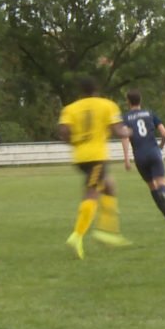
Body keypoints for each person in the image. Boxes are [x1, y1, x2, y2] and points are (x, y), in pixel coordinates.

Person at [57, 76, 132, 259]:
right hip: (96, 156)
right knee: (92, 192)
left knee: (109, 186)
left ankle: (107, 231)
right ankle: (77, 235)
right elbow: (118, 130)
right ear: (96, 89)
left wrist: (76, 142)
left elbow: (63, 132)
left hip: (80, 157)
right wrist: (129, 131)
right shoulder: (107, 105)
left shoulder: (70, 108)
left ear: (81, 92)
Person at [121, 90, 165, 221]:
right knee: (161, 181)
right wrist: (160, 147)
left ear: (128, 101)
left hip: (139, 156)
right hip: (153, 151)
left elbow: (125, 138)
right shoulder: (150, 114)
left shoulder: (126, 118)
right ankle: (163, 195)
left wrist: (126, 159)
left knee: (151, 185)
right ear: (140, 101)